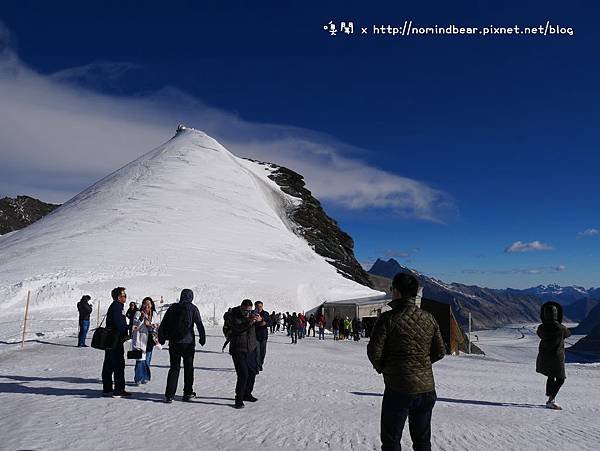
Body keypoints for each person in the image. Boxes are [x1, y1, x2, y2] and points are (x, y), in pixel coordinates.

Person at [367, 273, 445, 451]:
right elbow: (440, 351)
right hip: (426, 389)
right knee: (422, 441)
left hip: (398, 388)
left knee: (391, 440)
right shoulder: (429, 317)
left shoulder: (388, 319)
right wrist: (422, 365)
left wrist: (386, 369)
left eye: (392, 289)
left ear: (398, 292)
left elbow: (374, 351)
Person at [158, 289, 206, 403]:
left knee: (174, 368)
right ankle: (188, 392)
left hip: (174, 343)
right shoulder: (193, 308)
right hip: (188, 344)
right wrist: (202, 337)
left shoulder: (173, 308)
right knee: (188, 368)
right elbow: (199, 323)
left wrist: (162, 338)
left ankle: (169, 395)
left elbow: (164, 323)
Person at [228, 299, 265, 409]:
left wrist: (261, 320)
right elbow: (237, 329)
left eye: (249, 311)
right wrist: (250, 321)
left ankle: (247, 394)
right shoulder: (233, 315)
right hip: (238, 349)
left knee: (252, 372)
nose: (247, 313)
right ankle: (238, 398)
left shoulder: (253, 315)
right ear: (241, 308)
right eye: (245, 311)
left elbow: (265, 322)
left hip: (251, 348)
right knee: (243, 374)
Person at [536, 301, 571, 410]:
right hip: (557, 357)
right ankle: (551, 400)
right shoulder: (561, 328)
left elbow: (539, 334)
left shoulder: (541, 327)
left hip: (544, 356)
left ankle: (550, 395)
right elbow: (568, 334)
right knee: (560, 378)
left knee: (551, 375)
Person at [101, 287, 131, 397]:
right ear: (119, 297)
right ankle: (118, 389)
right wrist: (129, 327)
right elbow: (119, 324)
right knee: (118, 364)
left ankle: (107, 388)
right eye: (124, 296)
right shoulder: (117, 307)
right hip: (115, 340)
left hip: (110, 339)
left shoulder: (116, 306)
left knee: (108, 364)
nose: (125, 297)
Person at [131, 297, 159, 385]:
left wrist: (151, 325)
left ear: (151, 305)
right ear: (142, 304)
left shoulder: (154, 314)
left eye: (149, 304)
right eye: (145, 303)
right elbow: (135, 324)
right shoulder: (138, 313)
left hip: (150, 339)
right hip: (140, 340)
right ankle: (138, 378)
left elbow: (157, 324)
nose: (147, 306)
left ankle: (145, 377)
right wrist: (141, 319)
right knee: (139, 360)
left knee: (147, 360)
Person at [255, 301, 271, 372]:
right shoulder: (253, 313)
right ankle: (257, 366)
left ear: (262, 306)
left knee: (263, 352)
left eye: (260, 306)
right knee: (257, 352)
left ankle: (260, 363)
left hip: (264, 335)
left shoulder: (266, 314)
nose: (259, 308)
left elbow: (270, 322)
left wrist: (264, 322)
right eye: (257, 306)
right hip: (255, 335)